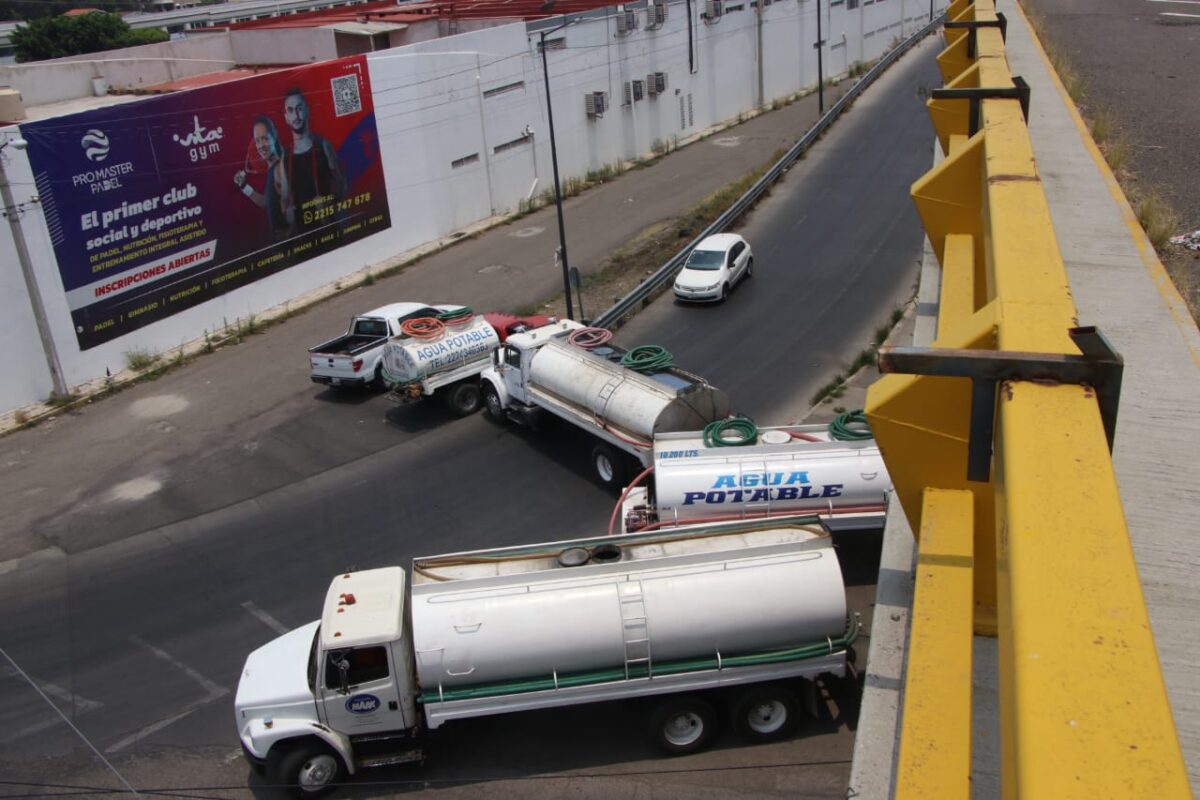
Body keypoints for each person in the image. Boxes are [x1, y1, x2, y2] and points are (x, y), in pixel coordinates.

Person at [281, 87, 347, 231]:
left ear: (307, 110)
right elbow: (284, 201)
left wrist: (329, 203)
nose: (296, 115)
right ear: (286, 117)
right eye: (291, 110)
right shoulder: (285, 158)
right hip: (304, 240)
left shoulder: (323, 145)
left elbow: (342, 185)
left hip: (331, 230)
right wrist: (287, 214)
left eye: (299, 108)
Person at [233, 115, 292, 241]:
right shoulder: (272, 169)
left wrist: (289, 234)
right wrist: (244, 187)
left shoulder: (279, 169)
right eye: (257, 140)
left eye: (265, 138)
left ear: (274, 136)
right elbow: (267, 203)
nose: (261, 146)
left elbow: (292, 207)